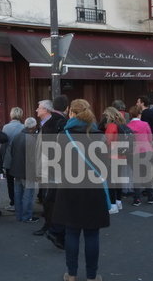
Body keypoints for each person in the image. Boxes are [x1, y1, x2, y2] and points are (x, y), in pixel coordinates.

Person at [54, 99, 109, 281]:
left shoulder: (63, 135)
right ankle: (92, 276)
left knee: (72, 233)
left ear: (71, 113)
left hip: (70, 189)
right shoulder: (98, 134)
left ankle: (71, 274)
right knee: (92, 234)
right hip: (93, 190)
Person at [33, 99, 67, 249]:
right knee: (50, 198)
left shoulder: (54, 123)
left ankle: (52, 227)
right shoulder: (55, 122)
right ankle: (52, 227)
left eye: (39, 108)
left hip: (53, 168)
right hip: (55, 168)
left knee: (52, 198)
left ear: (47, 110)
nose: (36, 110)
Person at [10, 117, 38, 222]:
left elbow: (12, 152)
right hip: (28, 171)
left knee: (18, 193)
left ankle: (19, 215)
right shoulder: (32, 139)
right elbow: (33, 158)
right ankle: (27, 216)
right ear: (33, 127)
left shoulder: (17, 136)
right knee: (28, 195)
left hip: (16, 169)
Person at [100, 107, 127, 213]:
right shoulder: (122, 124)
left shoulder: (111, 126)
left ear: (109, 116)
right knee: (119, 180)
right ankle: (119, 202)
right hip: (122, 155)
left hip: (112, 156)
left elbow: (108, 141)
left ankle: (113, 205)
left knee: (111, 182)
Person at [127, 105, 153, 206]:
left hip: (134, 152)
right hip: (146, 150)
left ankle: (137, 199)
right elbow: (150, 138)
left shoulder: (128, 126)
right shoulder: (145, 124)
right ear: (140, 114)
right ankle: (150, 197)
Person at [1, 107, 25, 212]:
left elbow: (4, 145)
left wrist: (2, 160)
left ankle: (13, 203)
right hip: (21, 158)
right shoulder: (24, 127)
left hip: (9, 158)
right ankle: (22, 202)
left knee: (10, 182)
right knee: (21, 181)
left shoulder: (6, 127)